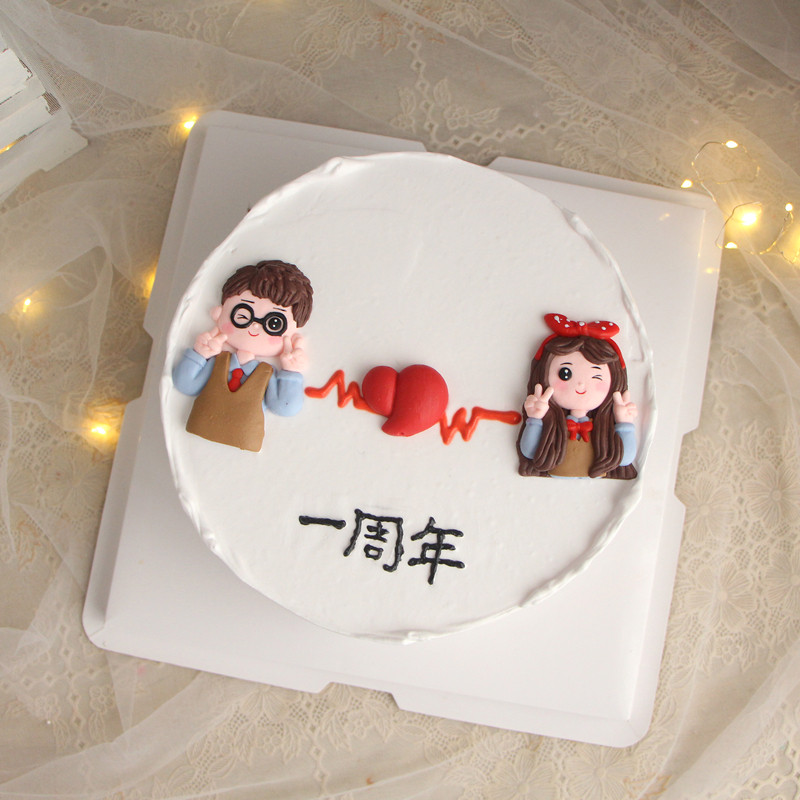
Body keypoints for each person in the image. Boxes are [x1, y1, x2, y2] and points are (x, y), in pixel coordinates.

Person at [172, 259, 313, 451]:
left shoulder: (266, 374)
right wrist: (199, 355)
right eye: (243, 315)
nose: (255, 327)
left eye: (273, 323)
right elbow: (185, 384)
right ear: (219, 313)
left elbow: (285, 407)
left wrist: (291, 373)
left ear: (292, 334)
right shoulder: (217, 361)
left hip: (244, 439)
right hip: (200, 428)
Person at [517, 313, 637, 479]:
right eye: (565, 374)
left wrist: (624, 423)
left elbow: (625, 459)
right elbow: (530, 451)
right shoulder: (554, 428)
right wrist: (535, 419)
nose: (581, 384)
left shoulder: (603, 430)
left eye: (596, 376)